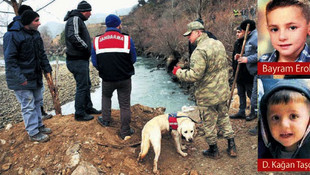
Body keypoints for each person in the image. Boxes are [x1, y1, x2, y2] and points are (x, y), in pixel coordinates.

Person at [173, 21, 237, 159]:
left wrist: (178, 72)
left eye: (190, 34)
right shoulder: (218, 43)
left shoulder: (199, 51)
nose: (189, 38)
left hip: (207, 95)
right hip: (222, 91)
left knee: (208, 123)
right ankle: (232, 145)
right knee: (224, 117)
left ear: (198, 32)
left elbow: (195, 75)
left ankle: (213, 150)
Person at [3, 10, 52, 142]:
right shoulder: (12, 35)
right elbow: (10, 60)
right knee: (28, 104)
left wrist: (47, 69)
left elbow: (41, 54)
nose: (39, 23)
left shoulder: (35, 34)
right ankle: (33, 132)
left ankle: (39, 126)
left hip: (34, 75)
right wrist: (20, 79)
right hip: (21, 79)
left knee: (37, 101)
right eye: (36, 20)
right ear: (27, 23)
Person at [91, 14, 137, 140]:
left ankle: (105, 120)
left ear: (106, 25)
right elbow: (133, 59)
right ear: (118, 25)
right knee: (125, 105)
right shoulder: (127, 39)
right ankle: (125, 131)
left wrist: (105, 70)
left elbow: (94, 62)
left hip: (107, 78)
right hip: (124, 78)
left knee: (106, 97)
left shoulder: (97, 40)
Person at [64, 1, 101, 121]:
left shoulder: (77, 19)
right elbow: (73, 36)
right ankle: (79, 113)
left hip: (79, 59)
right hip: (77, 60)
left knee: (86, 84)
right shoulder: (74, 19)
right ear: (84, 11)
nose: (90, 14)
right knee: (82, 86)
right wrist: (86, 47)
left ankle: (88, 108)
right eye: (89, 11)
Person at [259, 80, 310, 158]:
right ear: (266, 123)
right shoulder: (262, 151)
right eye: (276, 118)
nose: (284, 125)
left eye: (293, 116)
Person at [235, 19, 258, 122]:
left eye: (242, 31)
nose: (240, 32)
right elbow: (250, 53)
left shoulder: (256, 37)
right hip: (255, 73)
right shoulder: (248, 38)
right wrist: (242, 56)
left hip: (261, 72)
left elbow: (262, 54)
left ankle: (256, 118)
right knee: (254, 98)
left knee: (255, 99)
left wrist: (247, 59)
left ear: (247, 31)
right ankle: (253, 115)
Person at [229, 26, 254, 120]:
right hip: (238, 74)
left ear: (245, 32)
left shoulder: (249, 43)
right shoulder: (237, 43)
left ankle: (254, 112)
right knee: (240, 93)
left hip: (247, 74)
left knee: (251, 94)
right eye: (236, 32)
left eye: (239, 32)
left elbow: (252, 57)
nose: (237, 34)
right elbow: (233, 58)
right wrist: (234, 68)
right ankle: (241, 111)